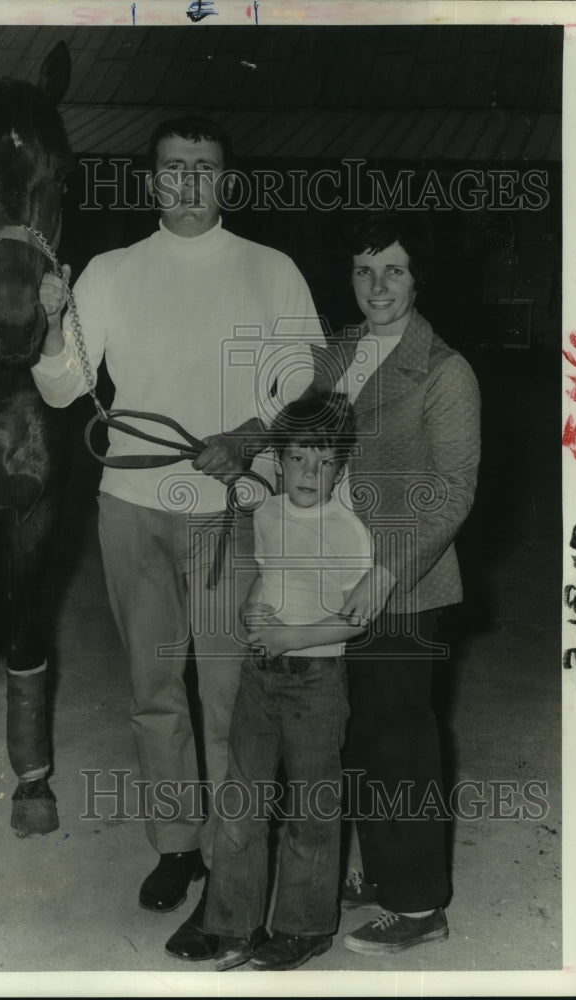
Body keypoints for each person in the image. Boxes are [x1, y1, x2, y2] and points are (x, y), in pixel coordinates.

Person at [32, 117, 322, 960]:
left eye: (204, 167)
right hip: (131, 504)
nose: (188, 180)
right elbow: (61, 389)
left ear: (226, 179)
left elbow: (304, 384)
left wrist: (248, 434)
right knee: (153, 686)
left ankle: (236, 867)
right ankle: (177, 845)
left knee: (230, 696)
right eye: (172, 167)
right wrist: (55, 322)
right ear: (151, 181)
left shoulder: (270, 270)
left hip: (231, 505)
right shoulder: (112, 272)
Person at [328, 210, 481, 954]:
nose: (377, 285)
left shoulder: (446, 371)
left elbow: (453, 493)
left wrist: (387, 572)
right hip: (335, 577)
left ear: (420, 278)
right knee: (358, 737)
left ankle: (420, 903)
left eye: (393, 269)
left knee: (402, 741)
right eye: (363, 270)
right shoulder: (338, 352)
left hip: (406, 586)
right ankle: (381, 870)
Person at [201, 394, 372, 972]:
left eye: (324, 463)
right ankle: (232, 922)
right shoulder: (267, 513)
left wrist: (291, 639)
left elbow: (354, 618)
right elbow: (269, 575)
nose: (308, 474)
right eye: (298, 459)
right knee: (241, 800)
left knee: (311, 807)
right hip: (260, 675)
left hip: (315, 680)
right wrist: (253, 612)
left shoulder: (349, 531)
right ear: (278, 459)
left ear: (341, 468)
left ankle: (304, 926)